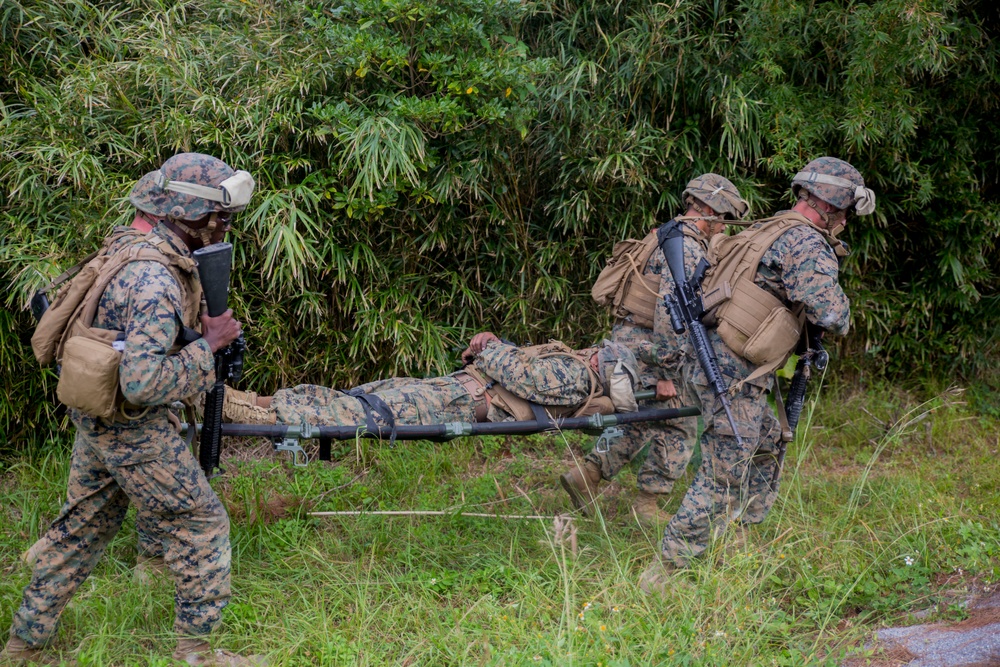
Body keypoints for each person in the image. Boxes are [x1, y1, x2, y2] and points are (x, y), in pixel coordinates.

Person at [3, 153, 264, 666]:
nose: (224, 228)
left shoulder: (130, 246)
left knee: (81, 529)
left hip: (97, 418)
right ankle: (198, 653)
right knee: (200, 520)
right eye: (222, 218)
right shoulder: (154, 279)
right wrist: (207, 347)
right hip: (132, 425)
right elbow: (143, 383)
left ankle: (21, 646)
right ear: (196, 215)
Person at [639, 157, 874, 594]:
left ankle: (739, 537)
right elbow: (831, 312)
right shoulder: (806, 243)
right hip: (730, 367)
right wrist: (841, 311)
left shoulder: (768, 228)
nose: (845, 221)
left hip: (712, 356)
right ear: (836, 205)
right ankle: (666, 573)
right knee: (727, 465)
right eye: (845, 212)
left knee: (766, 441)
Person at [560, 174, 749, 524]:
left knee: (639, 419)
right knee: (679, 424)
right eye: (723, 219)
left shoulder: (664, 234)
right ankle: (646, 505)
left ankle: (586, 475)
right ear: (708, 209)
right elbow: (670, 314)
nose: (723, 228)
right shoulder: (687, 248)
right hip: (652, 347)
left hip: (631, 340)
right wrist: (666, 372)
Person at [223, 333, 641, 427]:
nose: (596, 348)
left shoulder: (577, 378)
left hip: (460, 402)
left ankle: (254, 415)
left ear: (607, 367)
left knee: (365, 412)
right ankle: (253, 400)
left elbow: (524, 377)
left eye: (606, 353)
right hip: (455, 387)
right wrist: (493, 349)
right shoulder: (575, 368)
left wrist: (491, 346)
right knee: (359, 395)